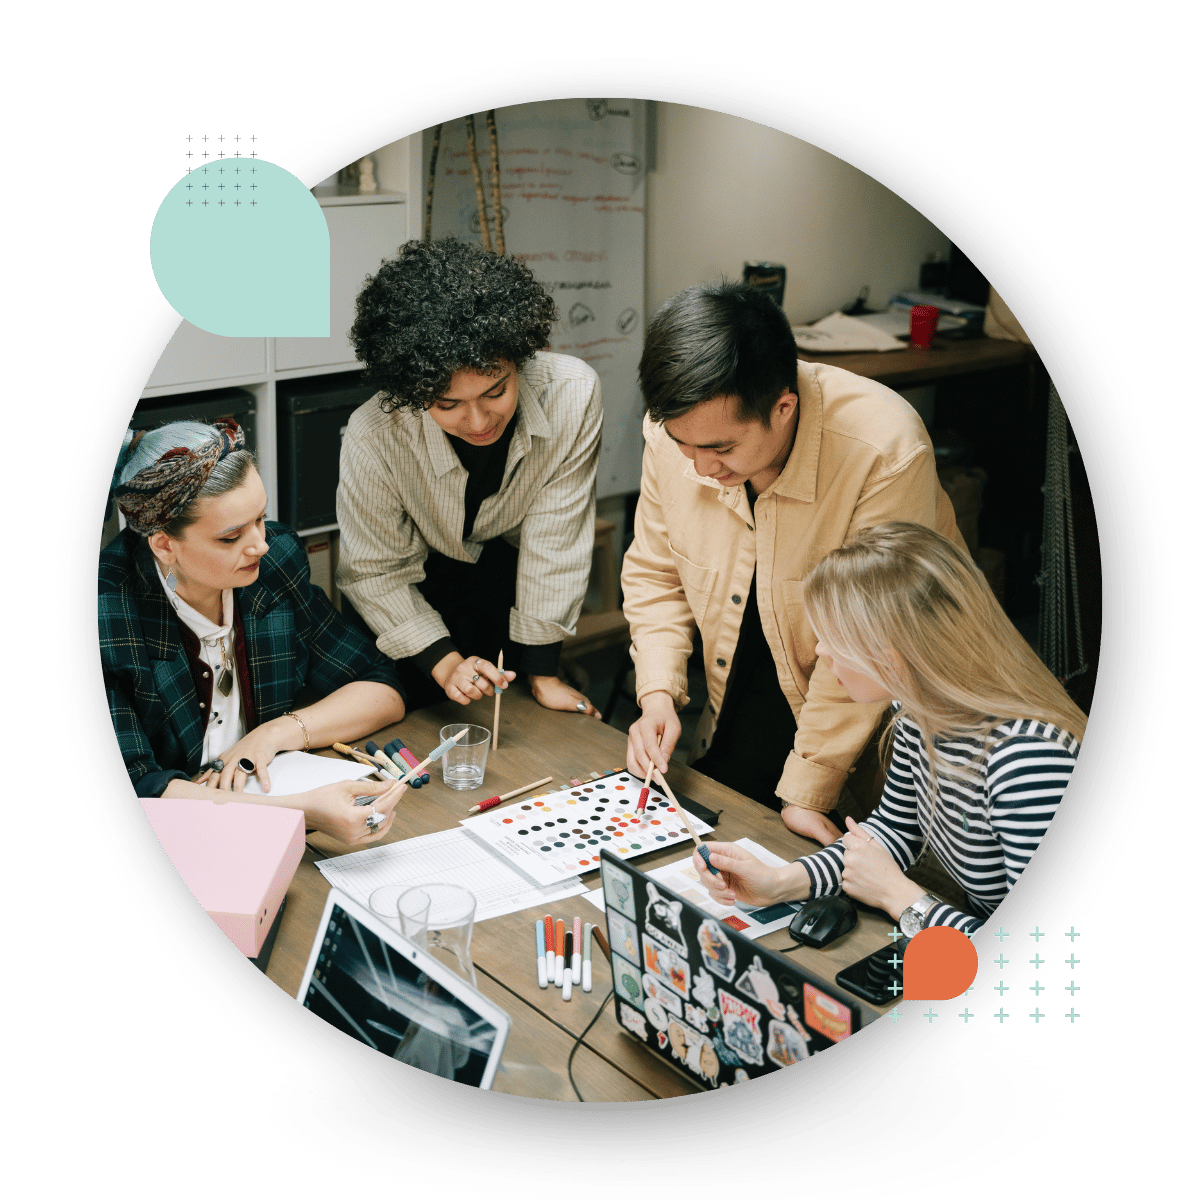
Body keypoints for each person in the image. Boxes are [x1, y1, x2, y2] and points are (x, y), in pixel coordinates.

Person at [622, 281, 968, 845]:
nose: (701, 468)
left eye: (722, 449)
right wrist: (657, 691)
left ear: (783, 408)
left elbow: (871, 640)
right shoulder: (678, 432)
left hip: (874, 732)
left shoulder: (884, 450)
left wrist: (810, 786)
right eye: (685, 446)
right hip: (739, 697)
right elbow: (657, 574)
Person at [690, 522, 1086, 938]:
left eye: (832, 637)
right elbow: (896, 829)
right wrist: (780, 882)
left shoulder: (1028, 760)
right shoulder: (917, 707)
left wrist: (900, 897)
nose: (820, 651)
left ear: (892, 656)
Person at [101, 418, 407, 845]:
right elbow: (140, 786)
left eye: (260, 518)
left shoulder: (274, 561)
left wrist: (273, 733)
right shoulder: (110, 614)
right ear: (164, 545)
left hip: (268, 815)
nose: (260, 544)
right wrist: (302, 811)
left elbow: (381, 687)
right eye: (231, 537)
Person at [336, 237, 604, 717]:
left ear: (520, 358)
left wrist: (543, 673)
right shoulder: (373, 434)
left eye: (496, 392)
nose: (479, 422)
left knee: (509, 720)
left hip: (503, 580)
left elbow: (556, 539)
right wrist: (445, 664)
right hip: (404, 598)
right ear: (414, 391)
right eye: (447, 404)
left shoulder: (573, 394)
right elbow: (375, 570)